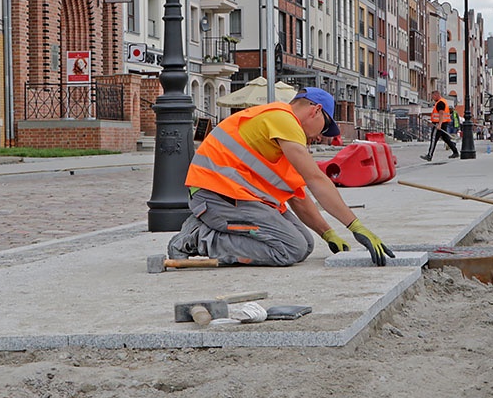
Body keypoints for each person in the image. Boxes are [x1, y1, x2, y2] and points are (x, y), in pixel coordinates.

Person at [167, 87, 395, 267]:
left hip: (232, 196)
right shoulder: (282, 119)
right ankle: (199, 238)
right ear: (315, 110)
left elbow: (298, 197)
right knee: (289, 248)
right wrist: (355, 226)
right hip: (215, 196)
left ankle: (207, 231)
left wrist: (328, 233)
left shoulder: (283, 139)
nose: (322, 137)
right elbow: (317, 180)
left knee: (304, 244)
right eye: (324, 128)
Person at [420, 90, 459, 162]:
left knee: (433, 139)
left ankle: (429, 155)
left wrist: (439, 124)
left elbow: (441, 114)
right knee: (446, 139)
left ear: (436, 95)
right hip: (443, 123)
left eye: (433, 96)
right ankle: (455, 152)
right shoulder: (443, 101)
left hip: (439, 124)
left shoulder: (440, 103)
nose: (432, 98)